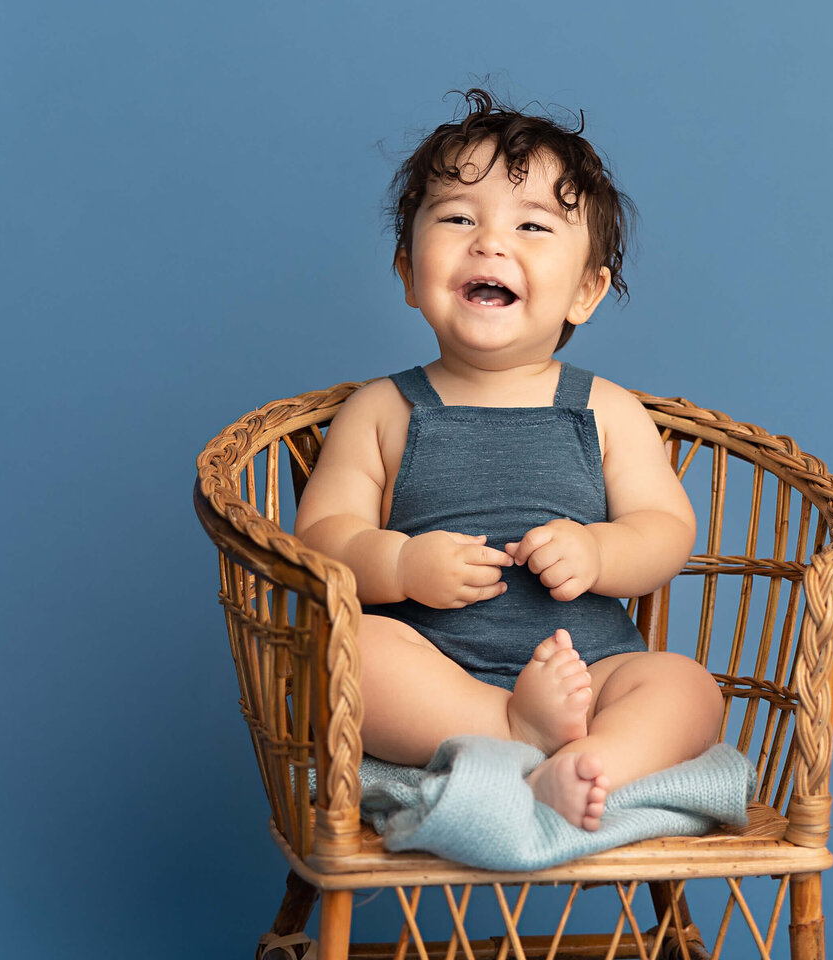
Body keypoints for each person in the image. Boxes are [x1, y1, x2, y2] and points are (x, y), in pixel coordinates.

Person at [295, 90, 723, 831]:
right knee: (351, 650)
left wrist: (597, 549)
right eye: (459, 218)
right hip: (438, 677)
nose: (490, 243)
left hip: (592, 674)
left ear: (586, 292)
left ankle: (593, 765)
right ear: (406, 272)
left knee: (685, 687)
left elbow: (665, 530)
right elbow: (322, 537)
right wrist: (398, 565)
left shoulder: (603, 410)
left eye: (531, 225)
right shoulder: (384, 410)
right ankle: (511, 730)